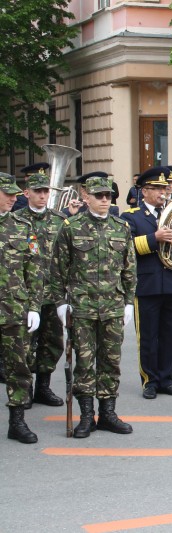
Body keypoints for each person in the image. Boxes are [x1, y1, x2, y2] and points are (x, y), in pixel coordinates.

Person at [51, 175, 136, 439]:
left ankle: (108, 413)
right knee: (85, 363)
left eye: (108, 196)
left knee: (111, 362)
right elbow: (58, 269)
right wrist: (61, 303)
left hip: (112, 307)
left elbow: (129, 269)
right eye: (99, 195)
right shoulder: (71, 227)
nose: (104, 200)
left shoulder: (121, 227)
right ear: (86, 197)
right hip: (83, 308)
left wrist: (129, 302)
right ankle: (87, 416)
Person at [121, 166, 172, 399]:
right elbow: (126, 248)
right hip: (147, 284)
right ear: (144, 191)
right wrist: (154, 238)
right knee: (148, 336)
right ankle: (149, 380)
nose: (162, 192)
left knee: (171, 335)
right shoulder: (131, 216)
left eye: (164, 188)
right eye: (157, 188)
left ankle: (167, 379)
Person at [16, 172, 68, 407]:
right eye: (38, 191)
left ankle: (43, 387)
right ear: (27, 193)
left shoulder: (59, 220)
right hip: (26, 294)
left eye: (46, 191)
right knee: (25, 343)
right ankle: (24, 388)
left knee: (52, 342)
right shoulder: (16, 220)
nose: (43, 195)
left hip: (53, 293)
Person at [0, 173, 42, 443]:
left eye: (15, 194)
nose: (14, 199)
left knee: (18, 367)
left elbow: (34, 269)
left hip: (13, 308)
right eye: (8, 194)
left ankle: (17, 422)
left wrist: (34, 306)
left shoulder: (22, 226)